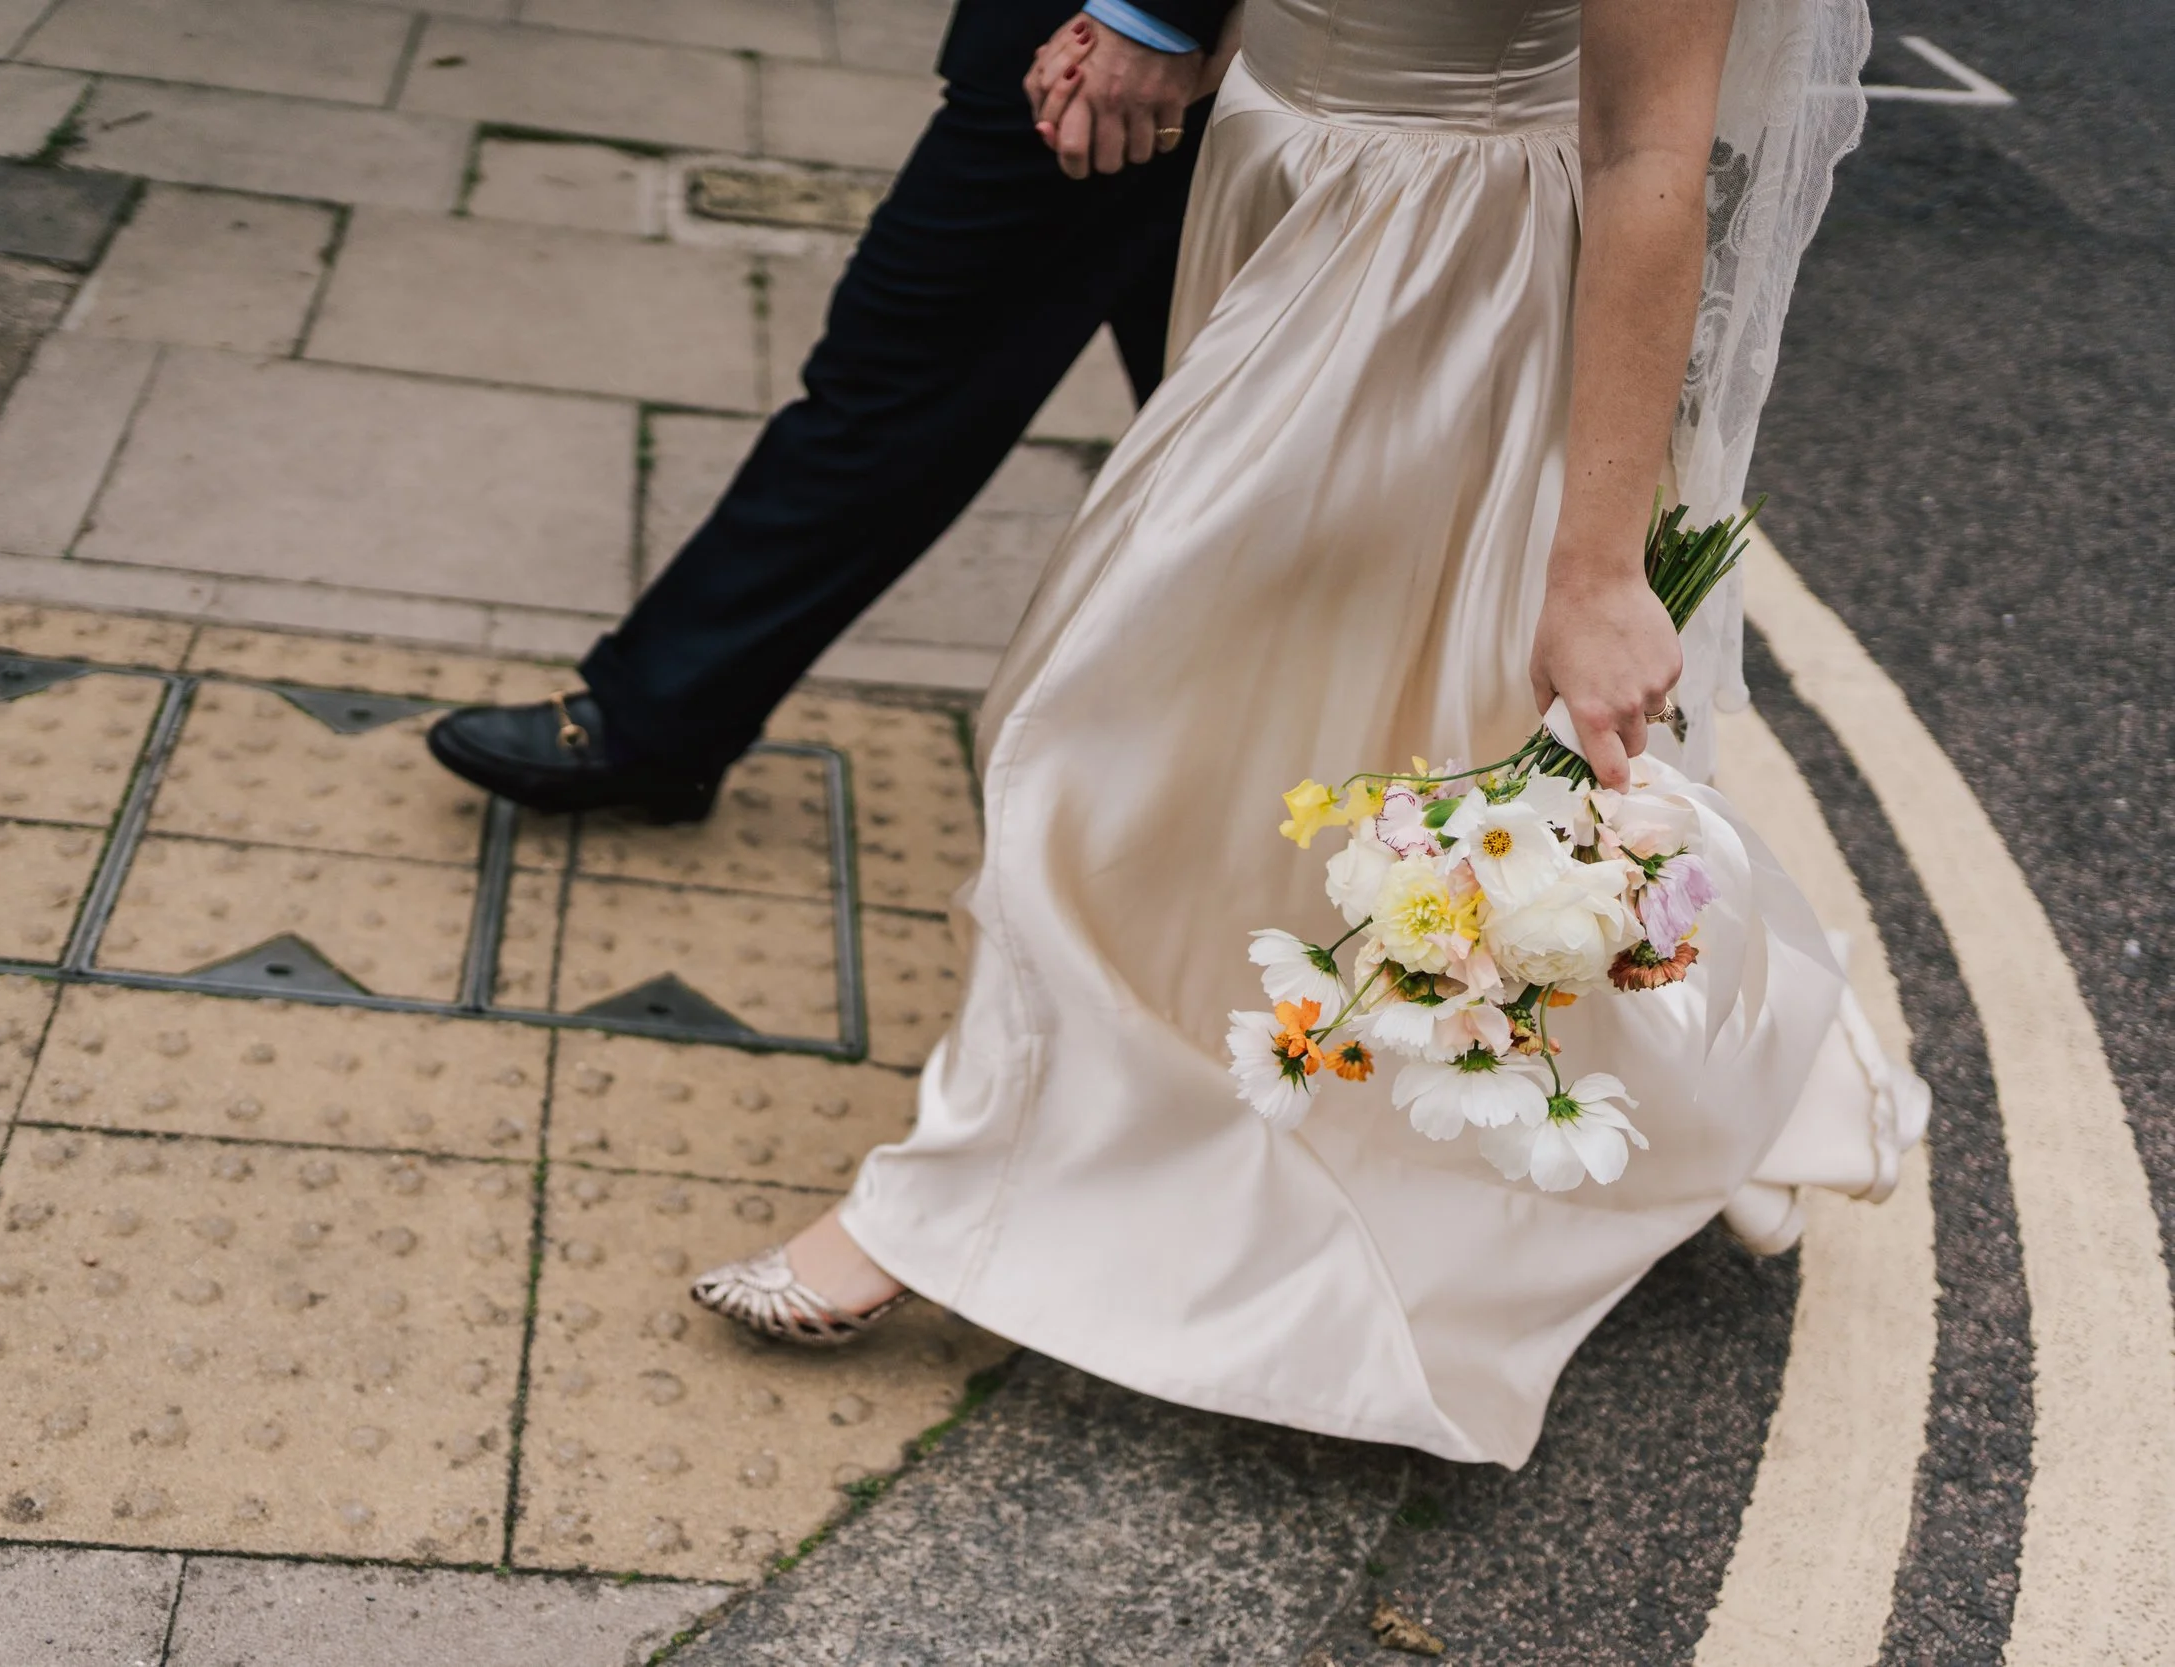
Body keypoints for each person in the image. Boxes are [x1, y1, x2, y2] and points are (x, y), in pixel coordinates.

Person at [690, 0, 1927, 1470]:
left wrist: (1596, 573)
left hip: (1443, 267)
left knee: (1107, 705)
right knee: (1276, 710)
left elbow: (1648, 152)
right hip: (1278, 168)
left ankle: (948, 1198)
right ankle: (1180, 1097)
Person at [427, 0, 1242, 823]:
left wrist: (1152, 15)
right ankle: (1255, 756)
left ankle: (655, 724)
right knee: (1240, 433)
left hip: (1136, 56)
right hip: (1204, 65)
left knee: (897, 384)